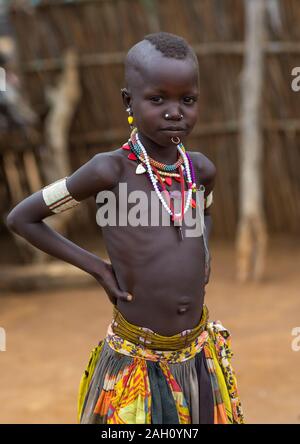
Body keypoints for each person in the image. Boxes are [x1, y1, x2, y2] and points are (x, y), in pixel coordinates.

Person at [6, 32, 244, 424]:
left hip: (198, 357)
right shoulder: (109, 170)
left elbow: (204, 211)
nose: (174, 112)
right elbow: (23, 217)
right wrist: (98, 268)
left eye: (187, 100)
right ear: (127, 102)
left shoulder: (199, 170)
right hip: (137, 362)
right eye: (157, 99)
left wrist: (204, 249)